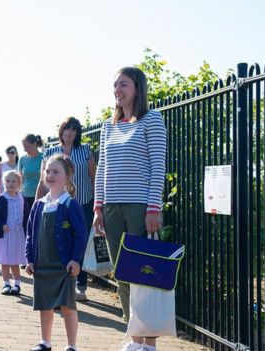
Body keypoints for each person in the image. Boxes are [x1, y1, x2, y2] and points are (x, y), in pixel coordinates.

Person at [93, 67, 166, 351]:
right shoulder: (107, 127)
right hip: (111, 208)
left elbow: (157, 166)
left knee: (143, 275)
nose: (117, 90)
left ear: (137, 88)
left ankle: (150, 342)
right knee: (122, 273)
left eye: (123, 84)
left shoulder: (152, 120)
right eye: (115, 85)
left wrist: (153, 208)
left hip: (139, 207)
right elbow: (101, 171)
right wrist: (98, 207)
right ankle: (135, 338)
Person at [25, 154, 88, 351]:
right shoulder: (38, 205)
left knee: (68, 307)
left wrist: (76, 260)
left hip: (64, 266)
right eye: (47, 171)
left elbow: (81, 235)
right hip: (42, 265)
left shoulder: (71, 205)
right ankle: (45, 342)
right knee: (44, 306)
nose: (50, 175)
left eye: (56, 171)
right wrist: (29, 258)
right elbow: (30, 234)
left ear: (67, 176)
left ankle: (72, 346)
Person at [37, 117, 96, 301]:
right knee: (61, 240)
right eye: (66, 129)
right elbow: (42, 180)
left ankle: (81, 285)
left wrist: (97, 203)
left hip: (83, 204)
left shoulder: (85, 151)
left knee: (82, 241)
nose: (69, 133)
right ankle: (62, 281)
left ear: (78, 133)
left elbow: (93, 177)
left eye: (73, 130)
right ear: (61, 131)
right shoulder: (51, 152)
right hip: (58, 205)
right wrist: (37, 204)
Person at [0, 170, 28, 296]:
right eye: (8, 181)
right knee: (5, 261)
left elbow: (27, 215)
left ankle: (17, 284)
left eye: (14, 181)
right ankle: (6, 284)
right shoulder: (1, 198)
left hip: (18, 234)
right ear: (4, 183)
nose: (10, 183)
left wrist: (28, 230)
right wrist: (2, 225)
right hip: (5, 235)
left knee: (15, 261)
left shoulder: (21, 198)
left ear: (19, 183)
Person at [19, 134, 44, 209]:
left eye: (27, 147)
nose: (25, 150)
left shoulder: (44, 157)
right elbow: (20, 178)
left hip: (42, 195)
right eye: (23, 147)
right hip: (25, 196)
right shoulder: (22, 159)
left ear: (35, 144)